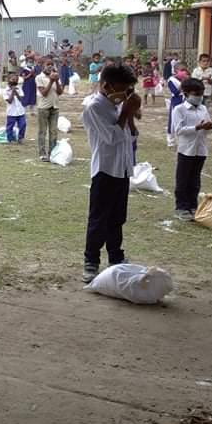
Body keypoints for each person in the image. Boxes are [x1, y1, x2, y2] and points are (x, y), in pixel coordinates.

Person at [80, 65, 139, 283]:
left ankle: (116, 257)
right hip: (105, 169)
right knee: (99, 218)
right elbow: (112, 137)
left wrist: (130, 113)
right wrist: (125, 111)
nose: (125, 94)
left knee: (117, 217)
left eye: (128, 90)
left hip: (122, 168)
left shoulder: (118, 104)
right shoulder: (94, 107)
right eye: (122, 89)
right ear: (106, 85)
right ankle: (91, 261)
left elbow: (130, 136)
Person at [171, 78, 212, 220]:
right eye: (196, 93)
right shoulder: (179, 110)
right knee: (183, 179)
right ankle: (181, 207)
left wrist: (209, 127)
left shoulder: (203, 108)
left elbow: (207, 130)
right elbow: (179, 130)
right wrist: (197, 127)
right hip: (186, 150)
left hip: (201, 150)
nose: (199, 96)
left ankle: (193, 205)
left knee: (195, 179)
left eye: (201, 93)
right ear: (186, 93)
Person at [35, 59, 64, 162]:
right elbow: (44, 93)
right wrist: (51, 81)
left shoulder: (56, 76)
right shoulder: (39, 77)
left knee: (53, 131)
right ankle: (42, 154)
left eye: (52, 65)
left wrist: (56, 80)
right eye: (48, 64)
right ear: (43, 66)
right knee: (42, 132)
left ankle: (52, 153)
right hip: (43, 108)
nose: (50, 66)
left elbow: (60, 92)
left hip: (54, 107)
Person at [166, 62, 188, 147]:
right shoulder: (171, 80)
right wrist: (183, 83)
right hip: (176, 101)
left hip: (185, 101)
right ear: (176, 71)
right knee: (172, 122)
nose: (184, 72)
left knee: (184, 121)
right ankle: (170, 140)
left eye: (185, 70)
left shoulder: (187, 78)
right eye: (182, 70)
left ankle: (182, 140)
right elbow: (175, 92)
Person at [3, 73, 26, 144]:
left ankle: (20, 138)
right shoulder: (6, 91)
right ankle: (10, 139)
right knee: (10, 126)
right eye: (13, 79)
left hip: (20, 111)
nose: (15, 81)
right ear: (8, 80)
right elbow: (9, 101)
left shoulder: (19, 88)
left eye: (16, 80)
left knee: (23, 124)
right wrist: (12, 91)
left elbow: (21, 99)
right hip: (11, 112)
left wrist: (16, 91)